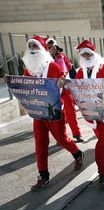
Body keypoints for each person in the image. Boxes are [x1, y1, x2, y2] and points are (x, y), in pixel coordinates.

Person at [20, 35, 84, 191]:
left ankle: (77, 153)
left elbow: (62, 85)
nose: (33, 50)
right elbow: (25, 88)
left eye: (35, 47)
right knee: (40, 143)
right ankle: (43, 175)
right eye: (30, 47)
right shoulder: (28, 70)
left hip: (54, 111)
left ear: (42, 49)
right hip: (38, 113)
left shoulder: (53, 67)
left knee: (61, 139)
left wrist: (61, 82)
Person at [75, 40, 104, 188]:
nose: (87, 56)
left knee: (101, 142)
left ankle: (102, 173)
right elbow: (76, 91)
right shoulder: (80, 72)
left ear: (94, 54)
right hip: (92, 113)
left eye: (89, 53)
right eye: (84, 54)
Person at [46, 38, 83, 143]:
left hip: (65, 88)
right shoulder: (45, 60)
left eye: (52, 46)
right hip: (52, 90)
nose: (51, 49)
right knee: (58, 115)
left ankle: (77, 134)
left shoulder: (61, 57)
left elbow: (69, 70)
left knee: (70, 111)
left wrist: (74, 85)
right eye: (49, 47)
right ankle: (61, 137)